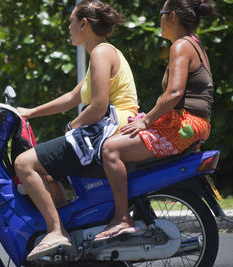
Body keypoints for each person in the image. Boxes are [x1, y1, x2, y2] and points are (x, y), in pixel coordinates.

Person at [14, 0, 139, 260]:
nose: (68, 27)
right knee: (47, 170)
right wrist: (31, 112)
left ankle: (56, 230)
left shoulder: (101, 53)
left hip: (110, 129)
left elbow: (98, 106)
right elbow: (73, 97)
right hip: (111, 127)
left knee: (25, 163)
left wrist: (73, 126)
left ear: (84, 24)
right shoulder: (104, 53)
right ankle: (67, 226)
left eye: (71, 21)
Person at [94, 0, 214, 241]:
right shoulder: (194, 43)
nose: (158, 20)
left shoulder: (180, 46)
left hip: (185, 126)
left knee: (109, 150)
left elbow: (174, 93)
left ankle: (122, 218)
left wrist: (145, 121)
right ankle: (135, 207)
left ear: (171, 17)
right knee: (118, 139)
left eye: (161, 15)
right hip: (191, 124)